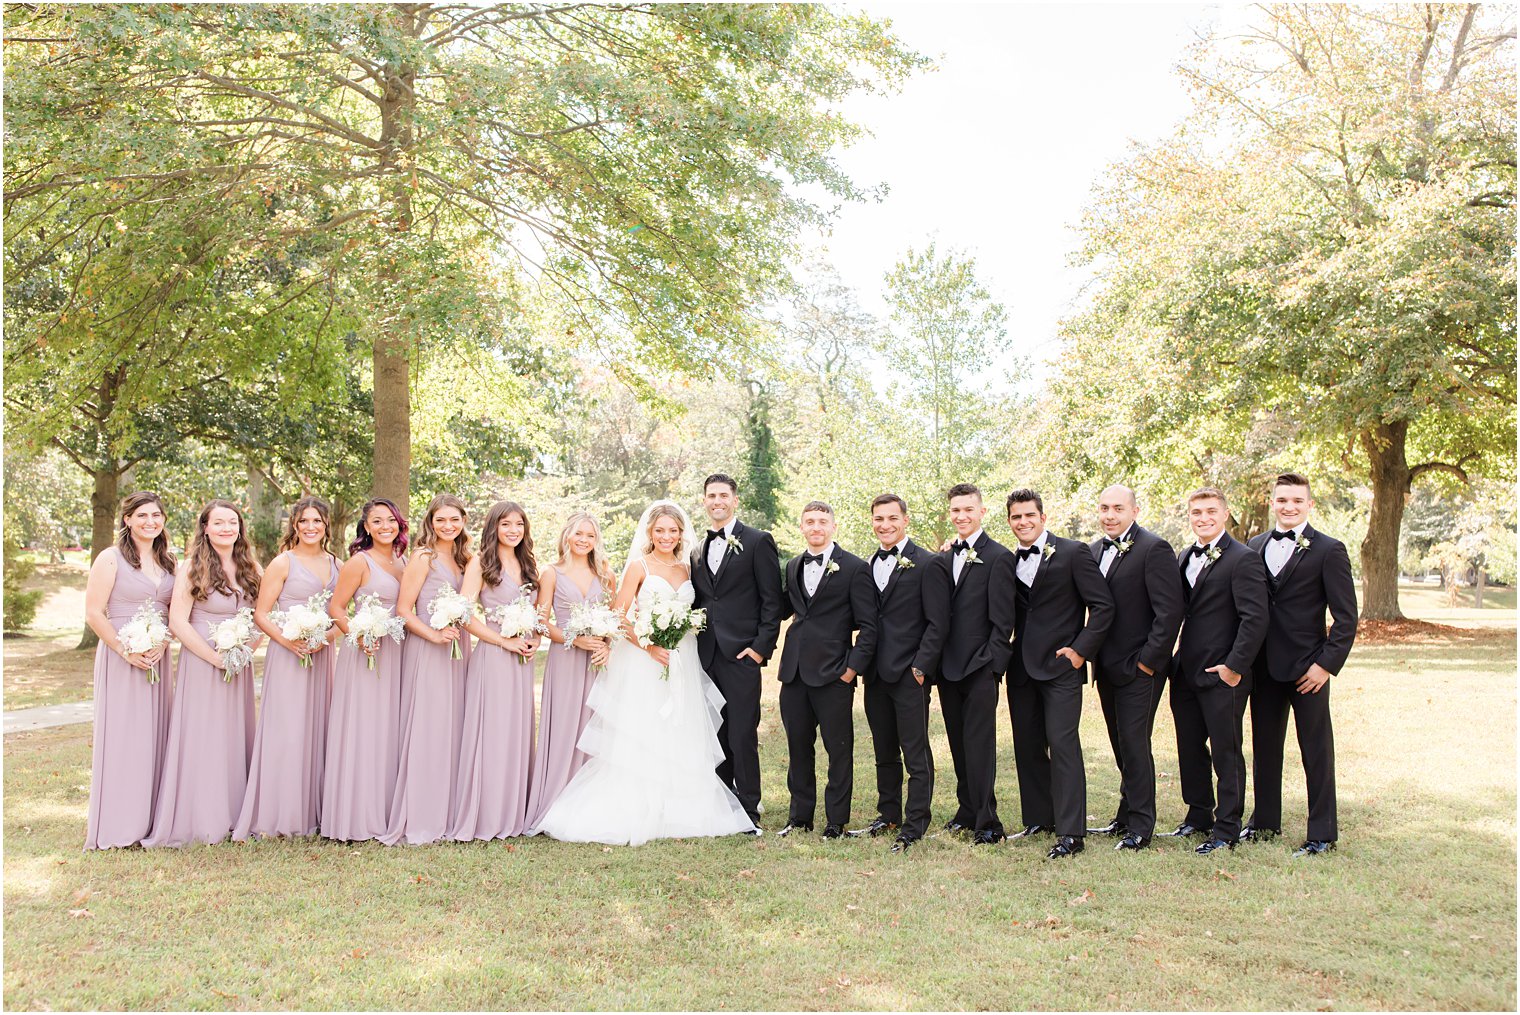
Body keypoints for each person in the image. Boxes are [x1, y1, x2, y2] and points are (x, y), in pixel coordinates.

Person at [534, 501, 755, 844]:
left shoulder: (688, 568)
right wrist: (651, 646)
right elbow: (620, 615)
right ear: (650, 533)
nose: (666, 536)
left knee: (682, 727)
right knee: (646, 730)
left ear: (681, 534)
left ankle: (680, 807)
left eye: (673, 530)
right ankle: (640, 805)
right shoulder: (638, 566)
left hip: (683, 656)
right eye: (660, 530)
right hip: (645, 658)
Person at [1243, 472, 1357, 857]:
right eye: (1282, 500)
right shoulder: (1254, 546)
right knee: (1265, 746)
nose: (1288, 507)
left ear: (1309, 504)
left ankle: (1322, 832)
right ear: (1271, 503)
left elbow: (1346, 618)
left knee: (1316, 749)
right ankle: (1264, 822)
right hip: (1262, 667)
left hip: (1309, 668)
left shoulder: (1329, 550)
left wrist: (1325, 665)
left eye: (1296, 501)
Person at [1002, 489, 1115, 859]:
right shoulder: (1007, 560)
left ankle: (1071, 833)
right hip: (1021, 668)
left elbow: (1102, 606)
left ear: (1043, 517)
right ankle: (1039, 818)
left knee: (1063, 744)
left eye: (1029, 515)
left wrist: (1081, 651)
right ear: (1009, 521)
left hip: (1061, 667)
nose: (1023, 522)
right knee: (1028, 744)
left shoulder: (1072, 552)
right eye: (1016, 517)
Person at [144, 500, 263, 847]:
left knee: (233, 735)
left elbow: (262, 615)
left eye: (232, 522)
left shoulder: (251, 567)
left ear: (240, 527)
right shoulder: (192, 567)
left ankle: (234, 815)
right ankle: (200, 817)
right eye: (219, 522)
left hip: (237, 664)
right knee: (203, 735)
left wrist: (244, 651)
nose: (226, 528)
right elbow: (178, 621)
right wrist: (215, 658)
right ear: (206, 528)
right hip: (202, 662)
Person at [1165, 487, 1269, 856]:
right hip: (1185, 671)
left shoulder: (1243, 559)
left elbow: (1255, 619)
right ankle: (1198, 815)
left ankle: (1227, 828)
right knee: (1189, 747)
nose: (1203, 518)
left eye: (1210, 511)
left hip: (1223, 673)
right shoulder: (1183, 556)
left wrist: (1234, 667)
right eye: (1196, 512)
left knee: (1226, 751)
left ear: (1225, 515)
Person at [1084, 485, 1185, 852]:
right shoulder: (1094, 550)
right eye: (1104, 508)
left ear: (1135, 510)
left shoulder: (1154, 548)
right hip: (1106, 667)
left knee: (1134, 741)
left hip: (1140, 667)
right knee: (1118, 742)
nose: (1109, 515)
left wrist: (1147, 662)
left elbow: (1169, 612)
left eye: (1118, 508)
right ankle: (1126, 814)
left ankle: (1142, 825)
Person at [234, 496, 339, 841]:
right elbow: (261, 614)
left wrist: (326, 636)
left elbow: (342, 612)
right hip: (288, 653)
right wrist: (289, 641)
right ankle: (280, 814)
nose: (311, 527)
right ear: (294, 525)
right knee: (288, 729)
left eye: (318, 522)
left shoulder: (338, 564)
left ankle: (318, 811)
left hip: (322, 654)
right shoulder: (283, 563)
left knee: (320, 726)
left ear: (327, 526)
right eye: (304, 521)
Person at [775, 501, 877, 839]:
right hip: (794, 674)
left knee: (839, 749)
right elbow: (785, 609)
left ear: (833, 526)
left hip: (835, 673)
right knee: (798, 748)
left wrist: (851, 670)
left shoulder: (854, 567)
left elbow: (868, 625)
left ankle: (836, 822)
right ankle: (800, 817)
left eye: (822, 521)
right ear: (801, 526)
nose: (816, 527)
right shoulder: (792, 566)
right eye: (809, 522)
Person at [82, 491, 177, 850]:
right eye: (142, 516)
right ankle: (120, 825)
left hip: (157, 655)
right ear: (127, 520)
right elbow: (94, 613)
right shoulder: (110, 559)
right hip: (123, 656)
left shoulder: (169, 562)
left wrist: (162, 642)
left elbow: (175, 612)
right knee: (125, 738)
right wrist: (125, 649)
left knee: (156, 736)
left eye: (156, 515)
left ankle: (152, 821)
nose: (150, 522)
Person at [690, 473, 783, 829]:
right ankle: (720, 803)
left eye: (723, 495)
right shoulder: (697, 549)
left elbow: (772, 602)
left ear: (735, 500)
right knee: (715, 733)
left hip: (743, 655)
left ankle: (747, 809)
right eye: (711, 495)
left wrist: (759, 650)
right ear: (704, 501)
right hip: (706, 656)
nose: (717, 501)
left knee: (742, 733)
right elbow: (702, 600)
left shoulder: (758, 541)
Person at [855, 493, 947, 853]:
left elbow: (938, 623)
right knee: (883, 750)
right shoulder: (866, 565)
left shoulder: (927, 563)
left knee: (915, 749)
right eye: (879, 518)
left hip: (910, 672)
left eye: (892, 518)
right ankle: (888, 813)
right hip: (875, 673)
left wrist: (921, 667)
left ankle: (915, 822)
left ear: (905, 520)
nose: (885, 525)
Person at [450, 501, 545, 841]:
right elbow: (464, 614)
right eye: (506, 524)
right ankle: (486, 814)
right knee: (491, 732)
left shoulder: (529, 564)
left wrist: (532, 636)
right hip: (493, 656)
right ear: (494, 527)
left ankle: (513, 812)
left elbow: (538, 613)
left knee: (516, 732)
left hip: (522, 659)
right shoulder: (480, 563)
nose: (513, 530)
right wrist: (502, 642)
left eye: (519, 524)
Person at [383, 494, 474, 845]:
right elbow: (404, 610)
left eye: (454, 520)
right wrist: (434, 635)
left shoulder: (465, 560)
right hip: (427, 647)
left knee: (452, 727)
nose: (448, 526)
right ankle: (421, 813)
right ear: (430, 522)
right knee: (428, 728)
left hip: (456, 648)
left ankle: (448, 810)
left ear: (463, 521)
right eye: (441, 520)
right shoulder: (423, 557)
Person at [321, 498, 409, 842]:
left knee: (390, 728)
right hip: (365, 652)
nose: (385, 526)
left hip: (397, 651)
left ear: (399, 525)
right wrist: (359, 635)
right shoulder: (359, 562)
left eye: (391, 520)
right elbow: (337, 607)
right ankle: (357, 814)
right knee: (364, 727)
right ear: (367, 527)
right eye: (377, 521)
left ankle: (387, 809)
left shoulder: (403, 562)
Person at [934, 483, 1015, 845]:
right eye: (955, 510)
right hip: (948, 667)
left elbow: (1004, 620)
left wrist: (993, 666)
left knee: (979, 744)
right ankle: (966, 810)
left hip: (981, 666)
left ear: (982, 512)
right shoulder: (946, 555)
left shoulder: (999, 556)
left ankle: (988, 822)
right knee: (958, 743)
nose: (961, 516)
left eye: (968, 510)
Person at [524, 512, 614, 831]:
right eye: (578, 534)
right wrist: (575, 638)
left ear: (596, 540)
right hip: (566, 659)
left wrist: (606, 644)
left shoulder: (605, 573)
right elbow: (542, 621)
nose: (584, 540)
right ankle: (556, 801)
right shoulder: (551, 572)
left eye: (590, 535)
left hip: (597, 664)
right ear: (567, 536)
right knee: (564, 728)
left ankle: (591, 805)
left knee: (594, 727)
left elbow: (616, 618)